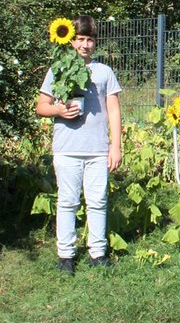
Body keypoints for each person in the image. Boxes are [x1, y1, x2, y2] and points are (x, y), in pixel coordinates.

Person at [36, 15, 123, 275]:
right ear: (71, 40)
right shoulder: (58, 68)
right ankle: (66, 256)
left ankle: (97, 253)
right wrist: (59, 111)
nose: (85, 45)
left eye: (90, 40)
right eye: (80, 39)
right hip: (67, 148)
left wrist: (116, 146)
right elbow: (41, 106)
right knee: (68, 202)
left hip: (98, 149)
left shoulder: (104, 72)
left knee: (98, 201)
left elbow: (114, 111)